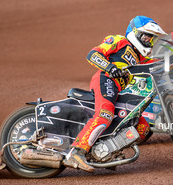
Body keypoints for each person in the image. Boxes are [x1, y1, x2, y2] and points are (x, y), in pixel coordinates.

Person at [64, 16, 167, 172]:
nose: (149, 42)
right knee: (105, 114)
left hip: (121, 90)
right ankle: (77, 151)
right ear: (135, 33)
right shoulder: (119, 41)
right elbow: (93, 54)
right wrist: (110, 67)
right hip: (106, 79)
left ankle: (107, 151)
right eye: (147, 37)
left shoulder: (141, 58)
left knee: (143, 127)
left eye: (152, 39)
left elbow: (158, 64)